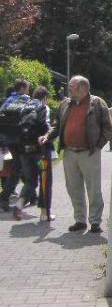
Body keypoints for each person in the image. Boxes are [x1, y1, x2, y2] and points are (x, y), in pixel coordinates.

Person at [43, 75, 111, 233]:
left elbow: (107, 128)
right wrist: (47, 136)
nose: (69, 89)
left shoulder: (98, 103)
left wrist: (98, 146)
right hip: (69, 153)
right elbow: (57, 124)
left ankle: (95, 221)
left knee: (94, 188)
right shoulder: (65, 103)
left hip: (89, 153)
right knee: (73, 188)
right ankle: (80, 220)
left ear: (83, 88)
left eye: (71, 87)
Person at [0, 79, 48, 220]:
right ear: (22, 88)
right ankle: (4, 198)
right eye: (27, 88)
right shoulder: (28, 101)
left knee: (20, 167)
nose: (28, 91)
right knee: (18, 169)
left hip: (8, 140)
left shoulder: (7, 101)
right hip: (21, 139)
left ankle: (31, 196)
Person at [32, 87, 56, 221]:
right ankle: (44, 213)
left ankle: (22, 201)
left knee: (31, 179)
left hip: (27, 151)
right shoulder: (43, 108)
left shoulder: (27, 105)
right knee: (45, 179)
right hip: (42, 150)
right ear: (45, 98)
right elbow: (45, 127)